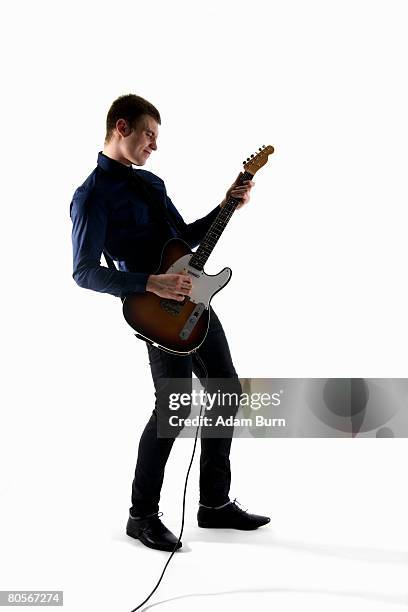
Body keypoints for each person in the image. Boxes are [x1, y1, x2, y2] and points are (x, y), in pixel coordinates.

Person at [70, 94, 270, 552]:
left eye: (157, 138)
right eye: (148, 135)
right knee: (174, 408)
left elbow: (185, 240)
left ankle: (214, 504)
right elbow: (83, 272)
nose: (154, 146)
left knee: (227, 389)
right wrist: (150, 284)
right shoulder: (91, 196)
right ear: (121, 127)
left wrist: (226, 206)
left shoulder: (153, 184)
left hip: (194, 299)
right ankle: (141, 516)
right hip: (152, 311)